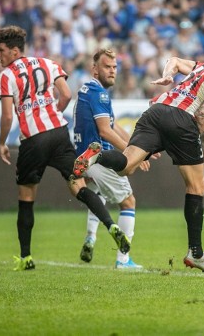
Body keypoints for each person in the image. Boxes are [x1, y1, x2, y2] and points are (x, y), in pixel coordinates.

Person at [73, 42, 204, 273]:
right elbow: (202, 114)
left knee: (126, 166)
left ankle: (98, 155)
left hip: (156, 110)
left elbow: (173, 60)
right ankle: (196, 253)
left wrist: (167, 76)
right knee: (197, 185)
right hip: (182, 119)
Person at [0, 26, 130, 271]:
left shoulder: (7, 75)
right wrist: (52, 113)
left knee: (27, 197)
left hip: (33, 139)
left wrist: (2, 142)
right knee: (78, 184)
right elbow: (66, 94)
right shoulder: (48, 63)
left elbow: (6, 116)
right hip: (58, 133)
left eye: (1, 50)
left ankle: (26, 257)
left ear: (14, 51)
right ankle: (111, 225)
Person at [74, 48, 147, 269]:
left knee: (97, 195)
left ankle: (91, 237)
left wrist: (136, 145)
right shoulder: (100, 94)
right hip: (98, 157)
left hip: (82, 157)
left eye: (114, 67)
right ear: (94, 69)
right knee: (128, 201)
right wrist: (132, 155)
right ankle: (123, 260)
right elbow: (105, 132)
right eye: (107, 67)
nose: (112, 71)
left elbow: (113, 126)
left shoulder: (86, 90)